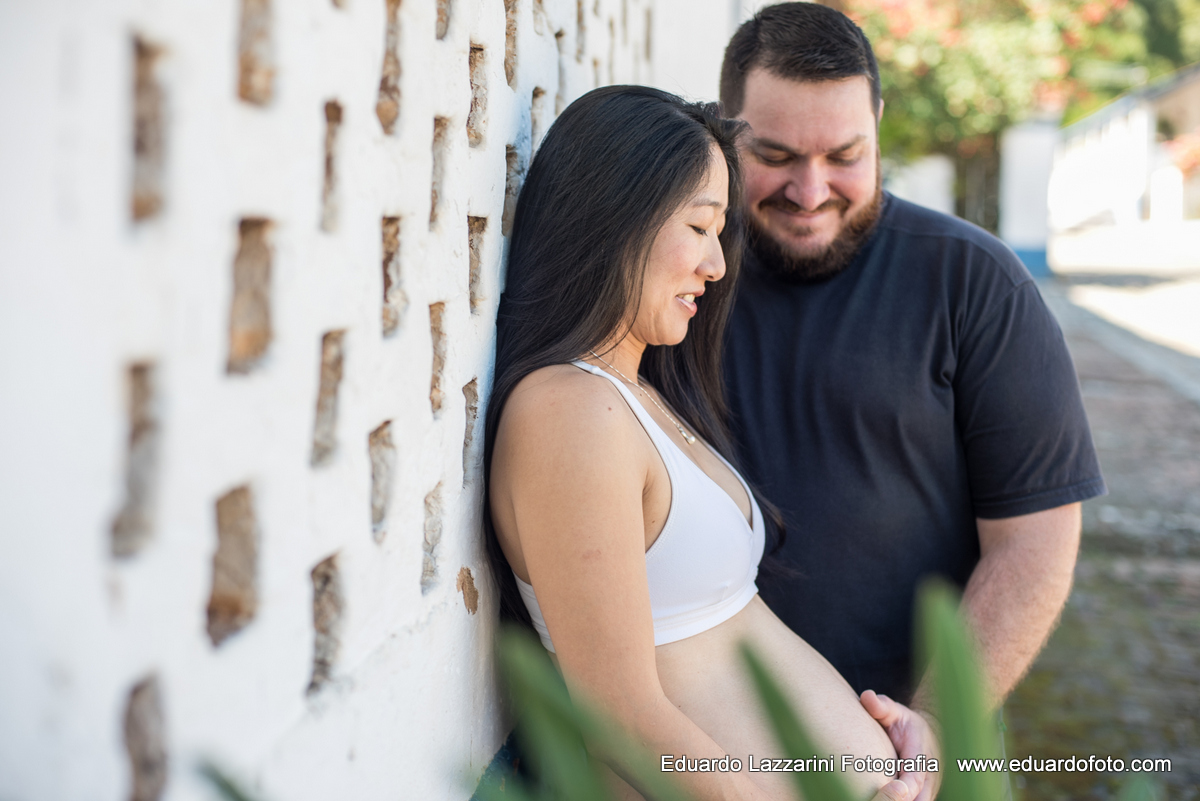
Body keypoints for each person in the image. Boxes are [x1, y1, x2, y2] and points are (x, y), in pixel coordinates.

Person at [718, 4, 1108, 798]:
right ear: (726, 131)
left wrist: (928, 725)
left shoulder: (974, 282)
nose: (810, 189)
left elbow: (1033, 542)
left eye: (845, 155)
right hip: (722, 751)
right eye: (777, 154)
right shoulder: (681, 276)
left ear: (879, 124)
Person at [484, 86, 914, 801]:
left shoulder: (638, 394)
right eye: (700, 226)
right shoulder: (568, 410)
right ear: (616, 218)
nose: (716, 267)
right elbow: (618, 713)